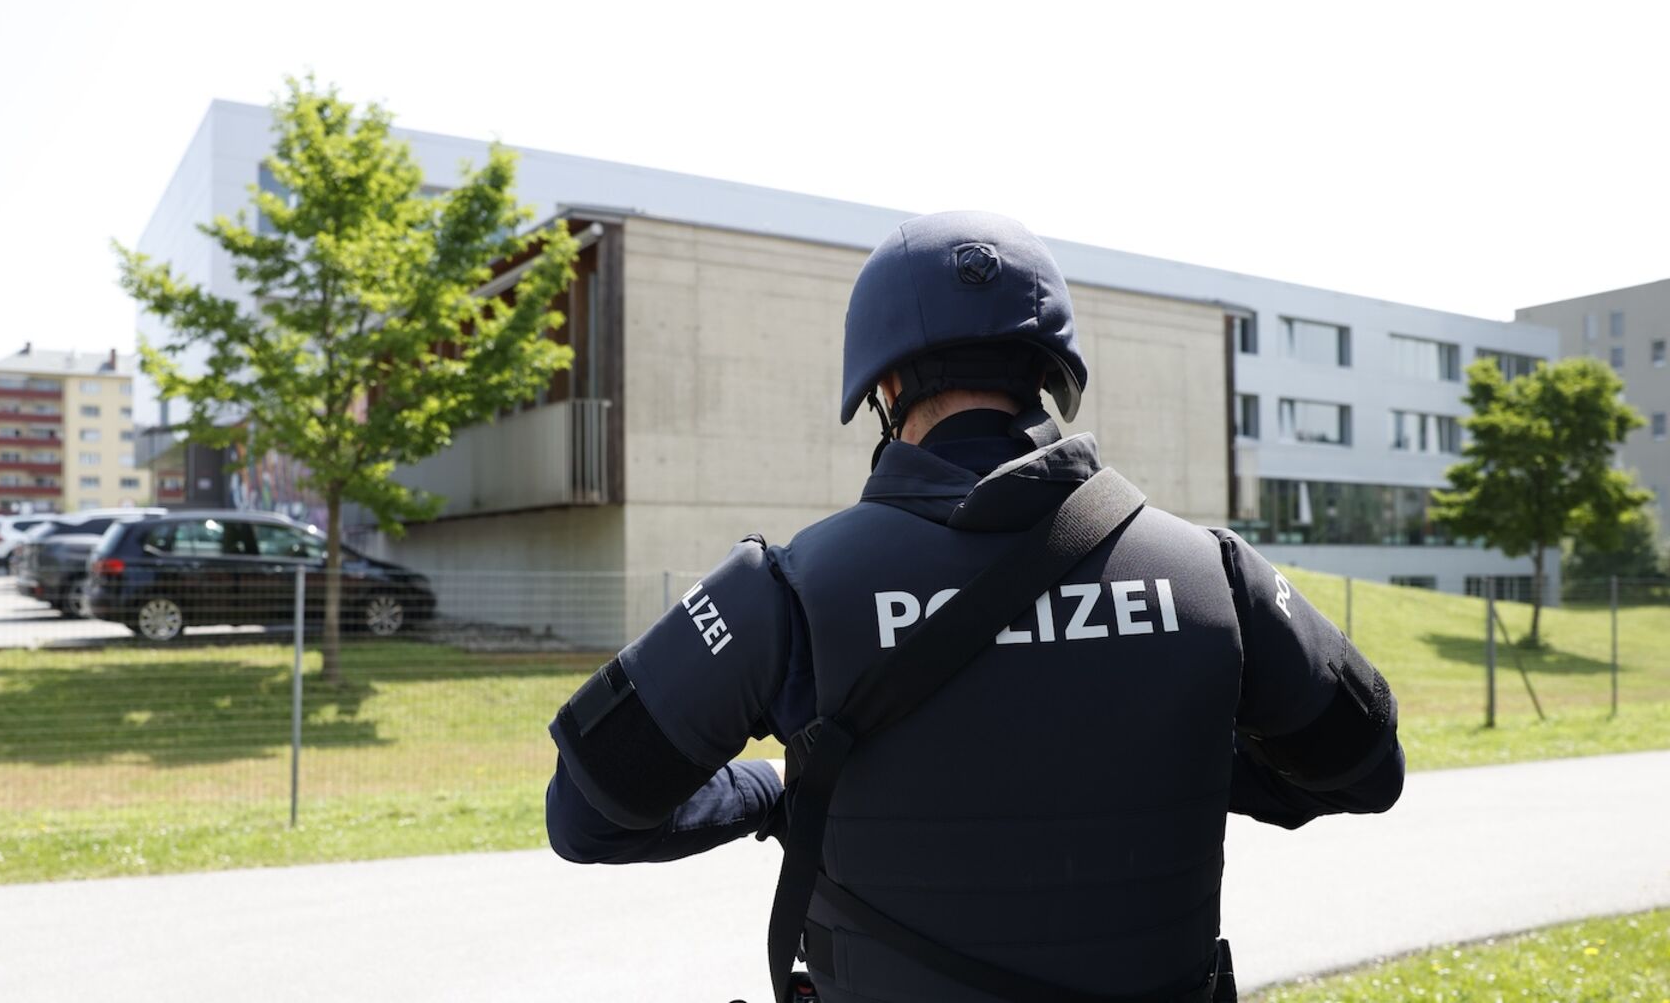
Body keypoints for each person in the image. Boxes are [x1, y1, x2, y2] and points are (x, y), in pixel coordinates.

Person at [544, 210, 1405, 1002]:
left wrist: (774, 793)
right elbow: (1368, 771)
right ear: (1049, 375)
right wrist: (1176, 764)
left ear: (882, 390)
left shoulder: (786, 591)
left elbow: (586, 818)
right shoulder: (1216, 575)